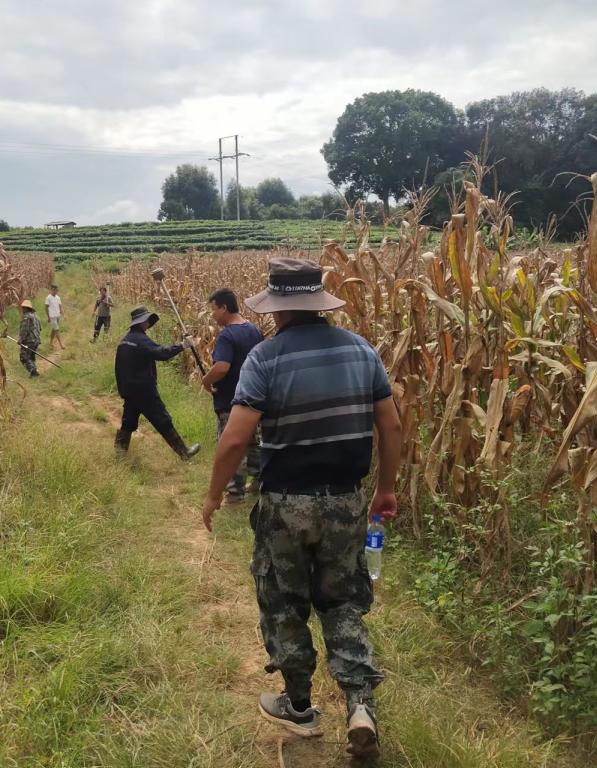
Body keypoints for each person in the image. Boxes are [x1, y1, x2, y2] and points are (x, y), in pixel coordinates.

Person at [200, 258, 402, 760]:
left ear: (277, 308)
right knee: (343, 601)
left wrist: (213, 494)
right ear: (318, 304)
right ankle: (360, 704)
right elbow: (391, 425)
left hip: (286, 502)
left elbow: (236, 439)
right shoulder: (360, 350)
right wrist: (386, 489)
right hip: (347, 500)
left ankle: (298, 705)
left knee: (284, 601)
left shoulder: (265, 358)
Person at [200, 287, 264, 504]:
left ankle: (235, 493)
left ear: (224, 308)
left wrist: (206, 380)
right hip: (254, 399)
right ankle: (259, 481)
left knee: (232, 446)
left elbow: (222, 367)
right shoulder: (253, 330)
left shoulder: (227, 335)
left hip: (231, 401)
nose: (213, 315)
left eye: (214, 309)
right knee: (253, 442)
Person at [114, 305, 201, 460]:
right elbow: (162, 353)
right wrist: (182, 345)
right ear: (142, 322)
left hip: (130, 391)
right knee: (163, 420)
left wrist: (124, 391)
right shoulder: (141, 340)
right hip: (144, 391)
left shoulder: (125, 341)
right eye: (147, 320)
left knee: (128, 422)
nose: (148, 322)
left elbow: (119, 370)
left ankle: (119, 456)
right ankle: (184, 453)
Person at [18, 299, 41, 377]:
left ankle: (33, 371)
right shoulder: (36, 317)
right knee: (31, 357)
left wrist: (21, 339)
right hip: (36, 340)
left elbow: (25, 329)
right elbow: (40, 328)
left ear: (26, 308)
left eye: (23, 308)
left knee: (23, 357)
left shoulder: (26, 317)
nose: (22, 309)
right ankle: (33, 373)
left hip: (29, 341)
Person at [45, 284, 65, 350]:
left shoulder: (58, 298)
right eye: (54, 290)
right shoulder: (48, 298)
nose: (55, 291)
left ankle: (51, 342)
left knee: (54, 329)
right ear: (51, 290)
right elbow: (46, 308)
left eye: (56, 290)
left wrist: (63, 315)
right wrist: (48, 317)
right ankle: (61, 344)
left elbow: (60, 306)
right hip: (52, 316)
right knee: (57, 329)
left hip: (57, 315)